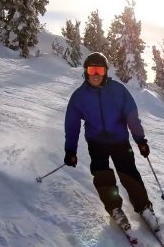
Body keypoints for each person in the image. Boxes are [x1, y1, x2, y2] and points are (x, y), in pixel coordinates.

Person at [64, 52, 154, 231]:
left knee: (129, 173)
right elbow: (72, 125)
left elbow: (132, 117)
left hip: (119, 140)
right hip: (96, 143)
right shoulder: (79, 96)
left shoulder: (118, 90)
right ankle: (115, 208)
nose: (95, 74)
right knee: (102, 175)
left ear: (105, 71)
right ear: (86, 72)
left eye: (99, 70)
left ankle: (143, 206)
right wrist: (70, 150)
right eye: (91, 70)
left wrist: (140, 140)